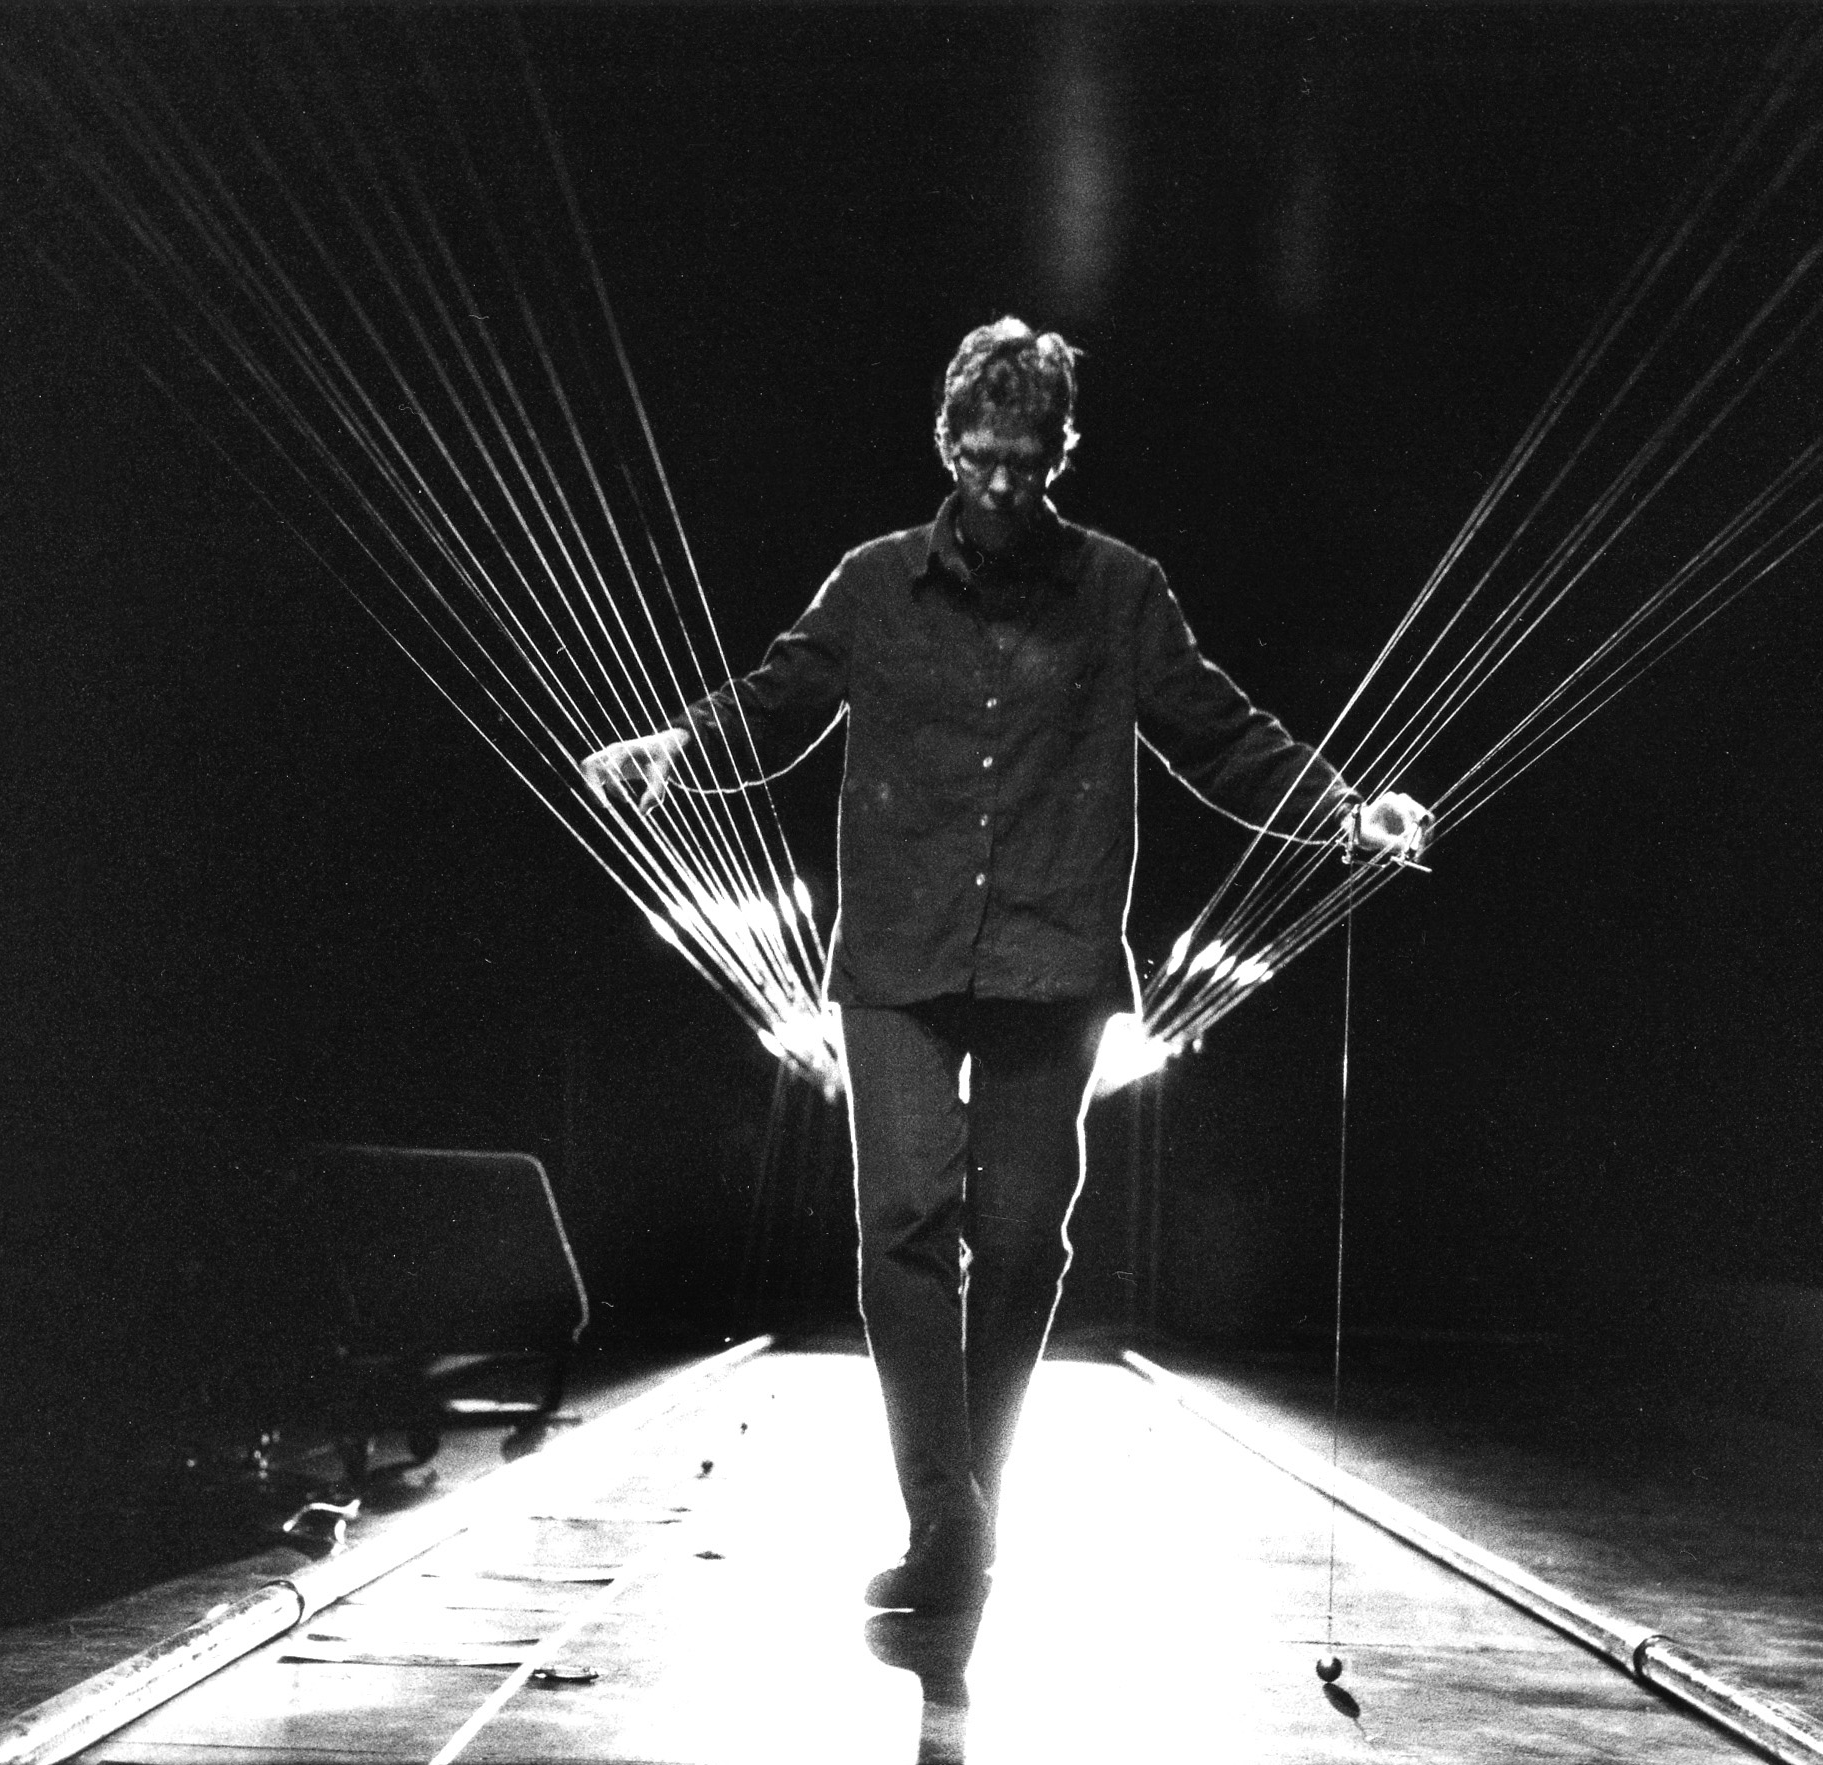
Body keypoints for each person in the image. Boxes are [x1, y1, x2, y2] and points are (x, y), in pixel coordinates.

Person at [582, 318, 1427, 1612]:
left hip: (1053, 954)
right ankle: (945, 1517)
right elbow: (776, 698)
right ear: (946, 442)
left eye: (1024, 465)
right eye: (978, 458)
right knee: (902, 1223)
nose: (998, 486)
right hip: (898, 963)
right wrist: (674, 751)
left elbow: (1220, 727)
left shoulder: (1122, 591)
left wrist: (1343, 807)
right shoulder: (871, 585)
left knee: (1027, 1243)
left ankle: (966, 1494)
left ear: (1058, 456)